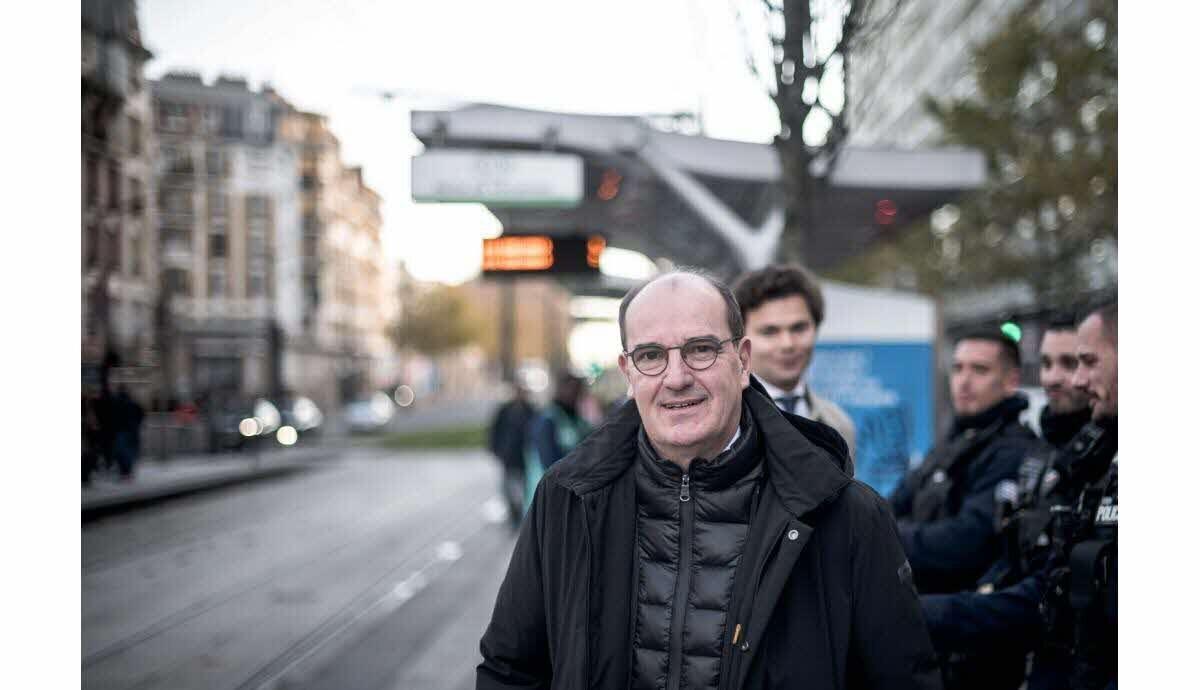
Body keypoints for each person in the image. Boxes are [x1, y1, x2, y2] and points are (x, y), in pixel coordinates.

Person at [477, 269, 941, 690]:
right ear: (628, 373)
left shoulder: (847, 515)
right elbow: (511, 670)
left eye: (700, 350)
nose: (676, 378)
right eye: (651, 355)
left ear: (742, 362)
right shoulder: (566, 501)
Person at [919, 304, 1118, 690]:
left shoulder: (1054, 454)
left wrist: (932, 614)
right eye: (1047, 364)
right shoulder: (1049, 457)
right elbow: (1019, 565)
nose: (1066, 379)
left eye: (1080, 361)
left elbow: (968, 544)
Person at [889, 330, 1038, 596]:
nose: (964, 381)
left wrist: (888, 536)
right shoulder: (954, 440)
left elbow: (967, 541)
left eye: (979, 370)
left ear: (1011, 380)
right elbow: (893, 504)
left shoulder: (1014, 450)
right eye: (957, 369)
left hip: (962, 613)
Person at [732, 264, 857, 473]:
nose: (788, 344)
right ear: (742, 342)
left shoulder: (839, 424)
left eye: (798, 328)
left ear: (816, 328)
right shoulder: (726, 422)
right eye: (770, 332)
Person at [523, 371, 590, 511]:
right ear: (561, 389)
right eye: (573, 389)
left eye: (579, 390)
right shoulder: (547, 420)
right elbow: (549, 463)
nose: (576, 394)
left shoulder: (576, 419)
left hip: (570, 496)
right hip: (548, 499)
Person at [487, 384, 535, 526]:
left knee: (525, 488)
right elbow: (496, 431)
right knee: (508, 488)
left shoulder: (530, 411)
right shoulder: (505, 410)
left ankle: (522, 515)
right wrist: (496, 450)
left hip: (524, 457)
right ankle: (514, 516)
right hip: (509, 456)